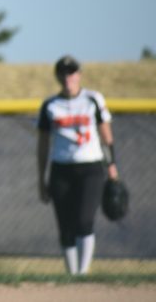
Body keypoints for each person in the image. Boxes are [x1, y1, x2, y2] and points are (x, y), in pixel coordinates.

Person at [37, 55, 118, 275]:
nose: (67, 77)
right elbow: (43, 145)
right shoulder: (50, 105)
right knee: (66, 227)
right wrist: (41, 179)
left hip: (90, 168)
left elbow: (106, 137)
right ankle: (72, 277)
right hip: (60, 170)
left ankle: (82, 274)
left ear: (79, 75)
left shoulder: (93, 99)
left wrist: (112, 166)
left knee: (84, 220)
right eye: (63, 73)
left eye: (71, 72)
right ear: (57, 76)